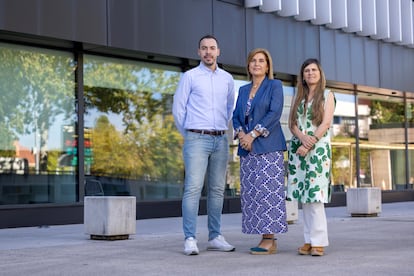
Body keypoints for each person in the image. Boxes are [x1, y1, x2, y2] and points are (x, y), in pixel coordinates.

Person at [172, 34, 236, 256]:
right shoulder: (189, 77)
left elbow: (229, 108)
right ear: (198, 52)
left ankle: (215, 236)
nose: (208, 52)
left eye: (212, 48)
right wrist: (191, 133)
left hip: (221, 139)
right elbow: (178, 110)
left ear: (218, 51)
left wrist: (221, 130)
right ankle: (190, 238)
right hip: (196, 138)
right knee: (193, 188)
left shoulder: (227, 79)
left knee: (217, 190)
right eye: (204, 48)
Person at [232, 48, 288, 255]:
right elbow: (236, 115)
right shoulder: (243, 90)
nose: (257, 64)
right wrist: (242, 135)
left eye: (261, 61)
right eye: (253, 61)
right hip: (248, 150)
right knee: (253, 194)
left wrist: (252, 135)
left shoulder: (275, 85)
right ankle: (262, 236)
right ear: (248, 65)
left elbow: (274, 113)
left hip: (268, 147)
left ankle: (269, 238)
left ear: (267, 66)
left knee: (268, 193)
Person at [286, 58, 336, 257]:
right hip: (299, 150)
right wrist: (302, 139)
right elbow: (292, 124)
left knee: (315, 197)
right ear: (303, 75)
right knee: (303, 198)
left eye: (314, 70)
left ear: (320, 73)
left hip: (318, 151)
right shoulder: (298, 96)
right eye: (306, 70)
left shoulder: (328, 95)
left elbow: (325, 124)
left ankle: (318, 241)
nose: (310, 73)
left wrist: (310, 142)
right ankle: (308, 240)